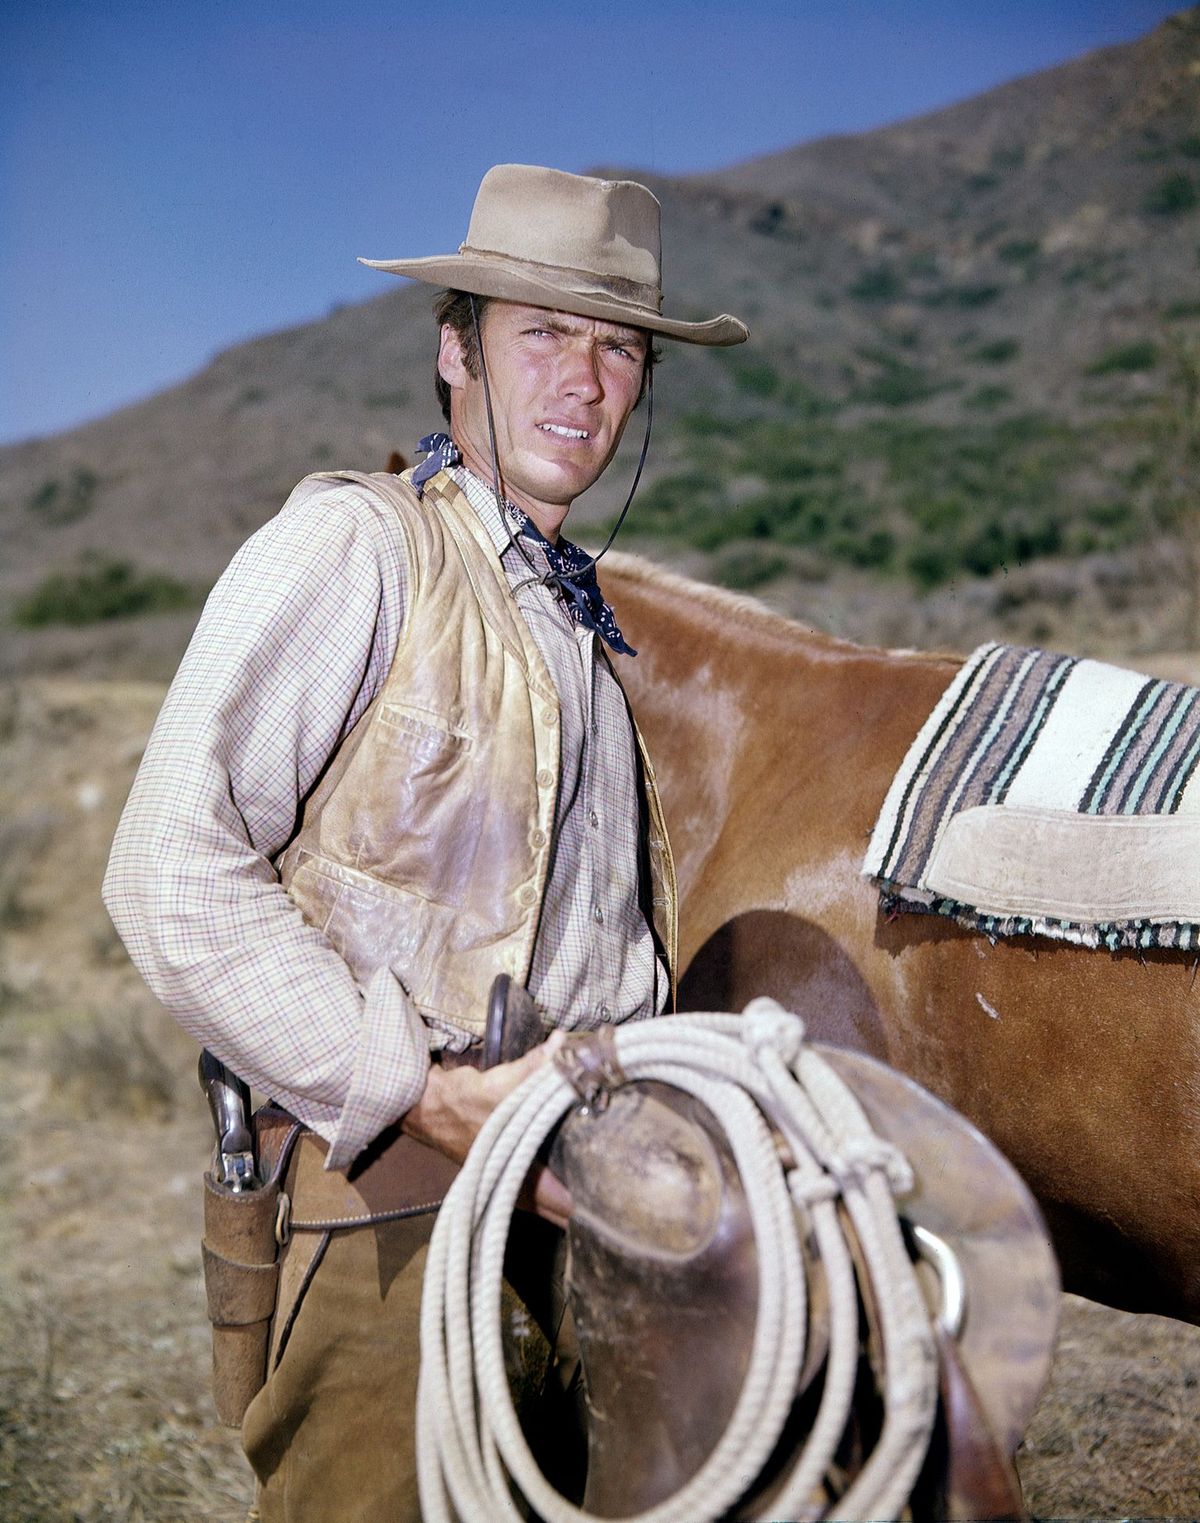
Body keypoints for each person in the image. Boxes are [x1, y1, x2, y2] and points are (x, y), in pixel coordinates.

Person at [102, 162, 747, 1521]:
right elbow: (168, 873)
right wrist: (421, 1087)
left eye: (618, 347)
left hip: (567, 1203)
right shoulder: (359, 544)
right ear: (457, 352)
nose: (586, 379)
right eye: (544, 336)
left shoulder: (574, 627)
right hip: (380, 1206)